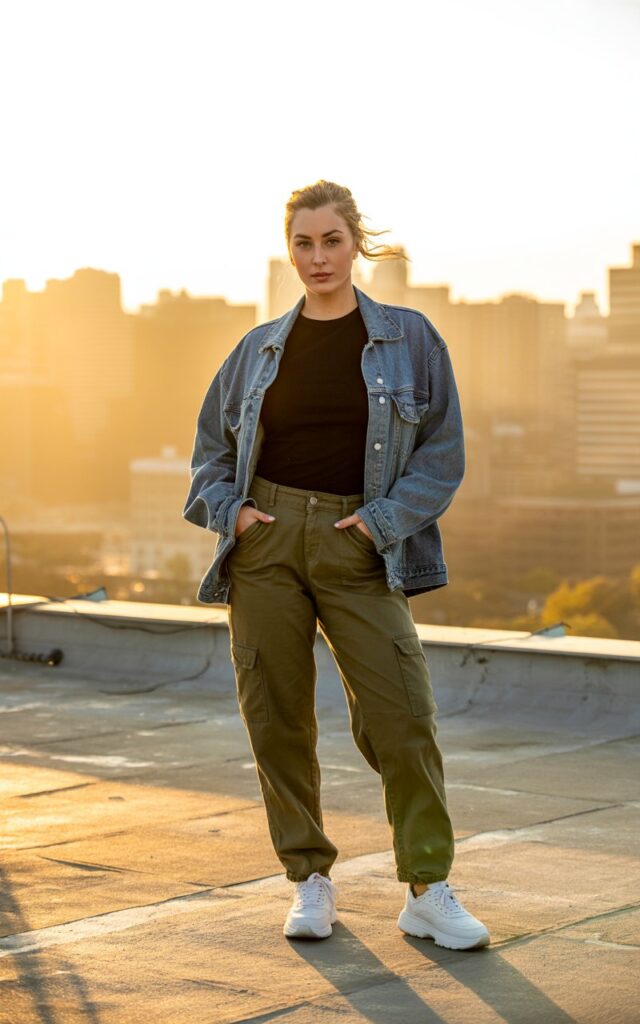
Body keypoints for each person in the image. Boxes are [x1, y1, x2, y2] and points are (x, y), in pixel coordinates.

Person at [183, 179, 490, 950]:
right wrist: (238, 517)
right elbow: (210, 457)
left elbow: (442, 457)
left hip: (361, 544)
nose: (317, 258)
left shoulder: (411, 339)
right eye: (303, 243)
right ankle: (309, 878)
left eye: (331, 241)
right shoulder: (256, 351)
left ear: (357, 243)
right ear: (289, 250)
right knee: (277, 717)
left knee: (402, 715)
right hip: (268, 547)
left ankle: (427, 886)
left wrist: (378, 524)